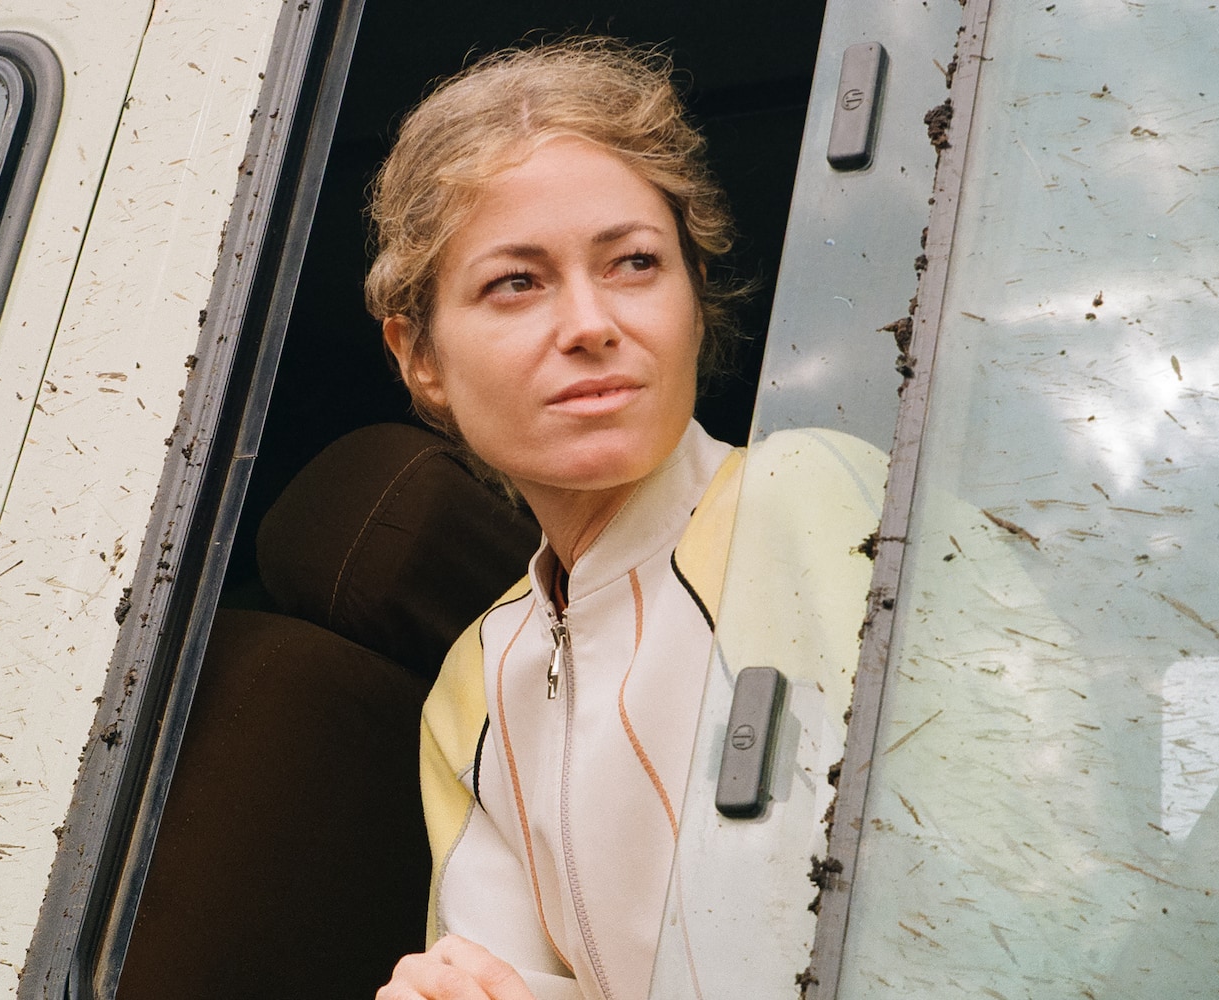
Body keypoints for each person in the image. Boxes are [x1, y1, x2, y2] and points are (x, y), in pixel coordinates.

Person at [367, 38, 883, 1000]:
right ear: (419, 355)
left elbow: (1005, 888)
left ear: (692, 301)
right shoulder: (472, 682)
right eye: (517, 282)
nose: (591, 322)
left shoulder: (811, 495)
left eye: (634, 263)